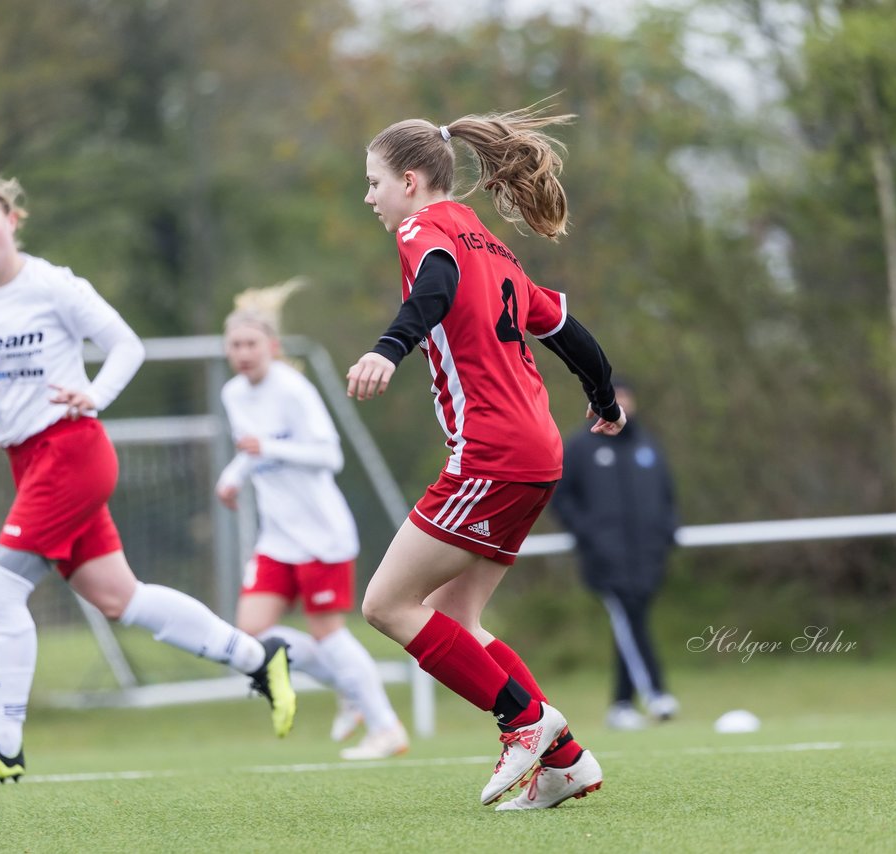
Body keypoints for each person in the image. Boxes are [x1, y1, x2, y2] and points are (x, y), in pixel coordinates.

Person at [0, 175, 295, 785]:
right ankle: (260, 659)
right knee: (120, 599)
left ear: (13, 219)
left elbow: (126, 345)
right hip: (28, 461)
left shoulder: (53, 284)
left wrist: (93, 392)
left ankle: (1, 743)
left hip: (72, 450)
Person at [346, 106, 624, 811]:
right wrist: (605, 399)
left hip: (493, 454)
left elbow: (433, 285)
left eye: (374, 182)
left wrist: (389, 347)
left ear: (410, 181)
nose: (370, 196)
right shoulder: (494, 249)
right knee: (454, 615)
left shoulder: (424, 230)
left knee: (385, 604)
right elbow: (568, 329)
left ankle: (524, 723)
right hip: (538, 453)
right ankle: (563, 761)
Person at [215, 279, 409, 760]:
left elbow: (329, 456)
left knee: (327, 631)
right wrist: (233, 476)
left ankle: (386, 728)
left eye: (251, 344)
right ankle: (348, 685)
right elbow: (251, 448)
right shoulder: (233, 394)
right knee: (252, 632)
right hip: (276, 537)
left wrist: (270, 449)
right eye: (234, 345)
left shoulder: (293, 389)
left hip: (321, 533)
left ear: (272, 347)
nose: (242, 353)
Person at [550, 381, 680, 731]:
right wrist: (589, 536)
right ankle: (655, 693)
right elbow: (562, 499)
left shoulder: (646, 446)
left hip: (648, 558)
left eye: (625, 396)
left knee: (632, 625)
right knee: (628, 620)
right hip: (605, 559)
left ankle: (621, 705)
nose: (619, 402)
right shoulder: (579, 447)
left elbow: (667, 498)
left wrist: (665, 535)